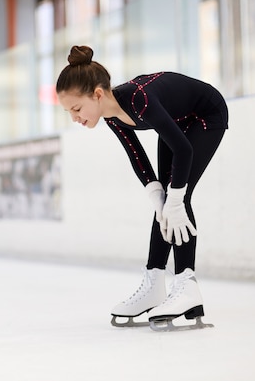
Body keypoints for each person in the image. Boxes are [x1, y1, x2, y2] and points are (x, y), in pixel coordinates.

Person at [56, 45, 228, 331]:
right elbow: (137, 156)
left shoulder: (138, 100)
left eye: (76, 108)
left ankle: (186, 285)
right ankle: (155, 283)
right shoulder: (111, 115)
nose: (74, 117)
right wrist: (157, 195)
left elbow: (184, 150)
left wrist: (174, 197)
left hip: (206, 115)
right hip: (177, 122)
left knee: (179, 199)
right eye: (68, 112)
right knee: (164, 204)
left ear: (97, 95)